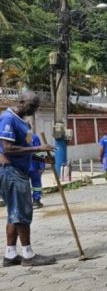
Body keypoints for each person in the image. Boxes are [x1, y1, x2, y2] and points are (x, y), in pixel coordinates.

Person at [1, 92, 56, 267]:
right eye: (32, 106)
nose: (34, 110)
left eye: (36, 107)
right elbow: (8, 149)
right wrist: (39, 147)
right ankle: (28, 255)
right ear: (22, 102)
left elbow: (23, 150)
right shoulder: (8, 119)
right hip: (10, 171)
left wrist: (41, 158)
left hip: (17, 169)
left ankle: (10, 255)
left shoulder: (22, 122)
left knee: (14, 214)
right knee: (22, 213)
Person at [27, 122, 45, 209]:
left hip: (23, 167)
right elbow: (40, 152)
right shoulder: (33, 137)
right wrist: (42, 166)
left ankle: (26, 203)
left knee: (24, 185)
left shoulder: (18, 137)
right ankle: (36, 201)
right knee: (36, 183)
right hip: (34, 166)